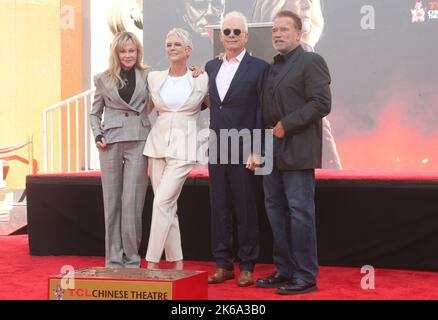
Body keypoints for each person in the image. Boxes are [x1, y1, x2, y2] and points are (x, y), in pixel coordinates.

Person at [255, 11, 331, 295]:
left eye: (284, 29)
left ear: (299, 35)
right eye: (275, 29)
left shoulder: (312, 61)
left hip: (298, 148)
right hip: (269, 149)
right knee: (275, 211)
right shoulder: (271, 67)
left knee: (299, 212)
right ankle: (284, 270)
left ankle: (305, 276)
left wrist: (287, 124)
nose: (277, 34)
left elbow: (321, 103)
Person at [205, 11, 269, 287]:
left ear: (246, 35)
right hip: (217, 146)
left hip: (245, 148)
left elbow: (261, 111)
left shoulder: (259, 67)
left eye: (236, 32)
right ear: (220, 36)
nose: (231, 36)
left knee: (245, 208)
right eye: (226, 31)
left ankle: (246, 265)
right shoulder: (211, 66)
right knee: (219, 207)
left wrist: (257, 150)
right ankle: (223, 264)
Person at [143, 28, 209, 271]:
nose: (172, 48)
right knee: (168, 205)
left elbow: (218, 105)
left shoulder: (201, 78)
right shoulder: (155, 78)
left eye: (177, 45)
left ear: (188, 50)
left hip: (184, 147)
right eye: (168, 44)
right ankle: (177, 261)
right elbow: (146, 109)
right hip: (157, 146)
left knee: (161, 202)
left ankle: (151, 262)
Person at [251, 0, 342, 169]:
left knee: (296, 196)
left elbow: (320, 104)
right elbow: (260, 110)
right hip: (267, 155)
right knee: (271, 196)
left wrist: (286, 125)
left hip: (297, 155)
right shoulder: (266, 65)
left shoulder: (309, 59)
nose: (307, 5)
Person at [90, 31, 151, 268]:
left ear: (138, 52)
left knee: (133, 202)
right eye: (123, 51)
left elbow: (172, 83)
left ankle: (132, 258)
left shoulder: (148, 75)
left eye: (132, 50)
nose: (128, 55)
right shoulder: (102, 79)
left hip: (138, 138)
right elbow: (95, 112)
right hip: (110, 142)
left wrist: (195, 72)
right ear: (116, 53)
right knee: (112, 201)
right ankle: (114, 260)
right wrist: (97, 133)